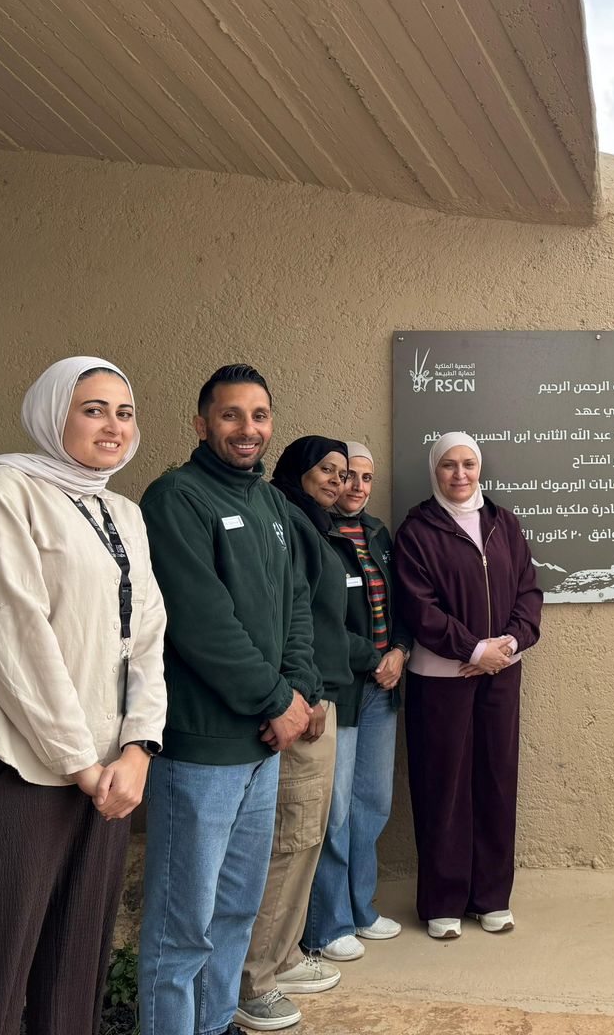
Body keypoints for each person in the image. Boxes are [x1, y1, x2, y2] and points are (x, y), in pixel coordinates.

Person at [0, 356, 166, 1035]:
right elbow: (15, 636)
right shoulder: (2, 490)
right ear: (51, 413)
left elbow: (147, 635)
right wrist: (82, 764)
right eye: (92, 408)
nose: (113, 425)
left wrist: (140, 749)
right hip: (17, 767)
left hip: (110, 774)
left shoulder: (122, 510)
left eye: (124, 410)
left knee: (74, 975)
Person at [139, 364, 318, 1035]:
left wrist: (295, 693)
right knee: (182, 926)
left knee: (237, 910)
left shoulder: (271, 504)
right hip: (202, 750)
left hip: (262, 746)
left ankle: (213, 1026)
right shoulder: (176, 498)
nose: (248, 429)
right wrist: (275, 700)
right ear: (201, 423)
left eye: (260, 415)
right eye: (231, 415)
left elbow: (296, 604)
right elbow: (201, 620)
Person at [237, 436, 371, 1030]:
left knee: (309, 833)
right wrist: (306, 691)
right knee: (289, 836)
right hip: (307, 700)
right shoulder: (285, 518)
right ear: (299, 470)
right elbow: (289, 616)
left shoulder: (311, 524)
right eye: (326, 470)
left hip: (325, 693)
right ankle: (253, 979)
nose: (338, 482)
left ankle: (284, 956)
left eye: (344, 474)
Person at [393, 432, 542, 939]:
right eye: (449, 466)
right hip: (442, 680)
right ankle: (442, 901)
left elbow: (528, 592)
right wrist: (473, 650)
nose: (460, 475)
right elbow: (419, 607)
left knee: (497, 782)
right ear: (434, 471)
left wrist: (505, 647)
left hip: (501, 675)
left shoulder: (504, 524)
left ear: (481, 468)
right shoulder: (417, 531)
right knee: (444, 787)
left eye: (469, 464)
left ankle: (491, 897)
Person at [304, 440, 413, 960]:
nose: (357, 486)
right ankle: (329, 923)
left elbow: (399, 606)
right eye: (348, 476)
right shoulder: (316, 533)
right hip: (341, 691)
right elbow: (320, 626)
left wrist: (399, 651)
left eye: (367, 478)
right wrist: (374, 658)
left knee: (373, 802)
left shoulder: (378, 534)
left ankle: (360, 908)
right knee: (336, 809)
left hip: (382, 689)